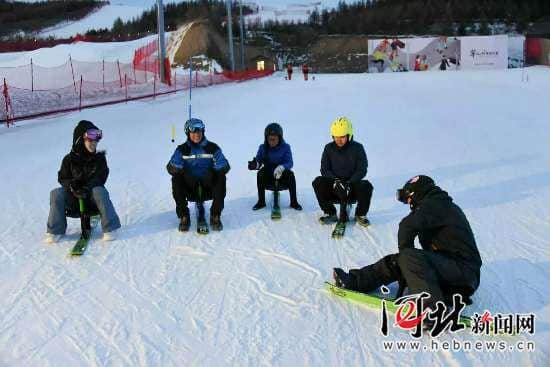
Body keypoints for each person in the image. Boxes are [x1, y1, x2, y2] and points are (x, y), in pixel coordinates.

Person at [333, 175, 482, 313]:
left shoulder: (437, 204)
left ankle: (432, 310)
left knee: (407, 257)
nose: (408, 203)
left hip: (463, 272)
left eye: (407, 198)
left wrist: (407, 258)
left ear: (416, 193)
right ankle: (354, 281)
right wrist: (405, 263)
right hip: (450, 274)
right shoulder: (434, 207)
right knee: (397, 261)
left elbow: (407, 225)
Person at [45, 120, 121, 243]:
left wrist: (87, 187)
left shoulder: (99, 160)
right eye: (90, 140)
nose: (93, 144)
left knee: (99, 191)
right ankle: (55, 230)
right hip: (74, 201)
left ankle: (110, 228)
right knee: (56, 193)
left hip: (92, 202)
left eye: (96, 141)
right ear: (80, 140)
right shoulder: (68, 160)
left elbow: (101, 177)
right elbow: (62, 177)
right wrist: (72, 186)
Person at [167, 118, 230, 232]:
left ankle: (215, 215)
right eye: (194, 131)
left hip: (207, 186)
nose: (197, 134)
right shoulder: (182, 149)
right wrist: (178, 166)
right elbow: (170, 169)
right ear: (188, 132)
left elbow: (225, 167)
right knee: (176, 179)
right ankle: (184, 216)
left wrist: (215, 169)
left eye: (200, 131)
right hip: (190, 187)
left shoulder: (212, 147)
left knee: (221, 177)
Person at [312, 117, 373, 227]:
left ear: (349, 135)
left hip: (352, 186)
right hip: (334, 185)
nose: (339, 140)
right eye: (336, 137)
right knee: (318, 182)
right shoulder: (328, 148)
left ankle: (360, 214)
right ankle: (330, 213)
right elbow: (324, 169)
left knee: (366, 186)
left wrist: (349, 182)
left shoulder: (358, 148)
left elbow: (362, 169)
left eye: (342, 137)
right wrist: (336, 181)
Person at [248, 123, 302, 211]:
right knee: (260, 173)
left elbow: (290, 162)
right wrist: (255, 165)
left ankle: (294, 202)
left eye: (274, 139)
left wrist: (281, 168)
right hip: (269, 178)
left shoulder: (286, 147)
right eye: (270, 139)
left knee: (291, 175)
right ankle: (261, 201)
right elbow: (259, 161)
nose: (272, 142)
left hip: (282, 178)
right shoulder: (263, 148)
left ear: (279, 138)